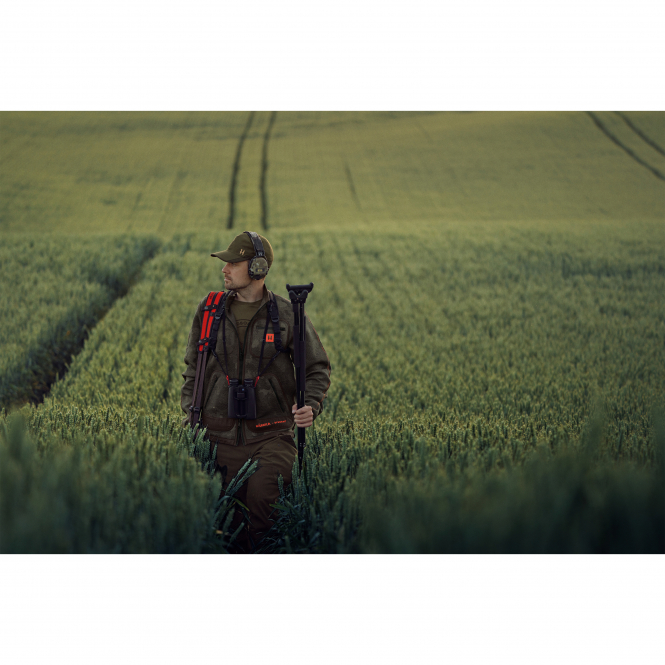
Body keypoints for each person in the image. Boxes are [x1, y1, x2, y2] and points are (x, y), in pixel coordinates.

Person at [181, 231, 331, 552]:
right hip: (216, 437)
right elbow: (193, 368)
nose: (225, 269)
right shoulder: (209, 311)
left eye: (233, 264)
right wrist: (191, 417)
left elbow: (316, 368)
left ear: (258, 268)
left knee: (263, 508)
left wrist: (310, 405)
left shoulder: (288, 314)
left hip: (271, 437)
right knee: (223, 526)